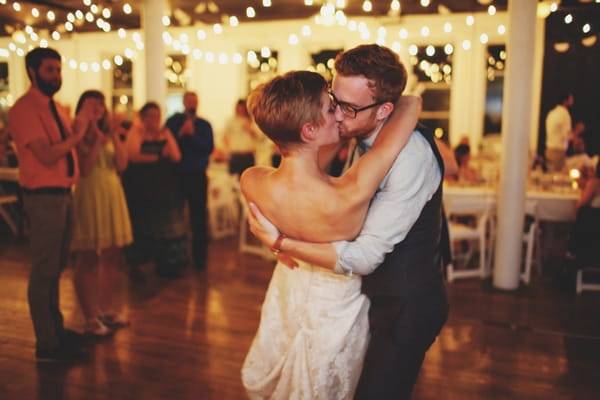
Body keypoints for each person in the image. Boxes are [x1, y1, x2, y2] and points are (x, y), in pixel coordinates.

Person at [246, 44, 448, 399]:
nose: (337, 116)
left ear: (385, 109)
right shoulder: (359, 140)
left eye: (348, 108)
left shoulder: (411, 158)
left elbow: (363, 256)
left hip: (403, 304)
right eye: (333, 102)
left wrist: (279, 241)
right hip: (356, 298)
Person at [7, 47, 89, 361]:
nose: (56, 75)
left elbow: (68, 150)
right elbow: (46, 154)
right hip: (43, 197)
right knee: (44, 270)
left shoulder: (54, 107)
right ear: (32, 72)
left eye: (58, 69)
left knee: (56, 268)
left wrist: (83, 130)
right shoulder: (24, 109)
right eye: (49, 70)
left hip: (63, 194)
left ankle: (56, 330)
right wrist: (77, 134)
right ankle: (46, 343)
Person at [70, 90, 133, 335]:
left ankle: (106, 309)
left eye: (101, 102)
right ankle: (89, 316)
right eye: (91, 102)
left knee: (111, 254)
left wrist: (112, 134)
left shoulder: (109, 131)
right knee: (87, 257)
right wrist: (97, 135)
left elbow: (122, 163)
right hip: (90, 192)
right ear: (82, 106)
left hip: (111, 192)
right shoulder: (77, 130)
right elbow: (85, 168)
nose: (98, 106)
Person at [122, 102, 186, 280]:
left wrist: (163, 148)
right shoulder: (136, 132)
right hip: (141, 186)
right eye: (150, 116)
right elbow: (133, 155)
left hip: (164, 186)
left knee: (165, 224)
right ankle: (138, 265)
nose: (154, 120)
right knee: (142, 224)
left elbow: (176, 156)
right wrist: (158, 156)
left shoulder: (165, 132)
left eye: (157, 116)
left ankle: (166, 264)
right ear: (143, 117)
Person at [165, 91, 214, 270]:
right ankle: (178, 257)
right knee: (175, 217)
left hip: (197, 175)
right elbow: (166, 144)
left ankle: (200, 259)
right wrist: (181, 133)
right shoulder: (173, 122)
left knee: (198, 218)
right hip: (176, 175)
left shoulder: (204, 125)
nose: (192, 104)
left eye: (195, 101)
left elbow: (208, 148)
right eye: (189, 101)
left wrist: (192, 135)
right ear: (184, 103)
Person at [545, 92, 585, 172]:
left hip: (549, 150)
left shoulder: (551, 113)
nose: (572, 100)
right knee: (557, 179)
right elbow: (567, 136)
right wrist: (577, 131)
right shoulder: (564, 114)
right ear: (565, 101)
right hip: (558, 152)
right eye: (571, 98)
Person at [221, 98, 259, 176]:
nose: (240, 110)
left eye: (242, 108)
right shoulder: (231, 121)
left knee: (249, 180)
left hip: (248, 155)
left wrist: (249, 129)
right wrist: (227, 150)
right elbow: (224, 136)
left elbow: (259, 137)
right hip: (235, 155)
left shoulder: (252, 121)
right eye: (238, 108)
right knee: (234, 181)